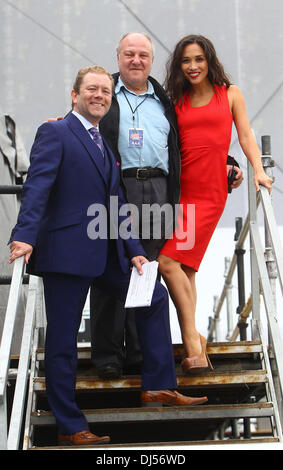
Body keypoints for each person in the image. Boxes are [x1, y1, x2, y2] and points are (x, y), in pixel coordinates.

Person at [8, 65, 208, 447]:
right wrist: (25, 236)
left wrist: (134, 251)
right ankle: (70, 424)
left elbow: (117, 204)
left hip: (105, 252)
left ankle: (158, 386)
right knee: (63, 342)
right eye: (92, 90)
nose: (99, 95)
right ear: (75, 95)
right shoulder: (55, 131)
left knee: (153, 296)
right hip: (65, 255)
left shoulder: (105, 144)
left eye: (104, 91)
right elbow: (37, 187)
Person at [90, 32, 244, 380]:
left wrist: (227, 162)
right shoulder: (103, 91)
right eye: (129, 54)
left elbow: (192, 140)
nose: (136, 60)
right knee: (109, 265)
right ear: (118, 57)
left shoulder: (164, 98)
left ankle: (141, 352)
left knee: (149, 268)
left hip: (159, 188)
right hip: (115, 185)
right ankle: (109, 356)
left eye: (143, 55)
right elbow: (81, 120)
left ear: (151, 60)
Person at [157, 35, 273, 375]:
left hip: (209, 192)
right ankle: (197, 340)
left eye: (198, 59)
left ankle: (192, 344)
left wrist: (257, 171)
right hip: (180, 192)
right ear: (179, 66)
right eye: (185, 61)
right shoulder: (174, 100)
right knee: (185, 268)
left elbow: (246, 135)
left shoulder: (231, 94)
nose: (192, 66)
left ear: (209, 60)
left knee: (167, 262)